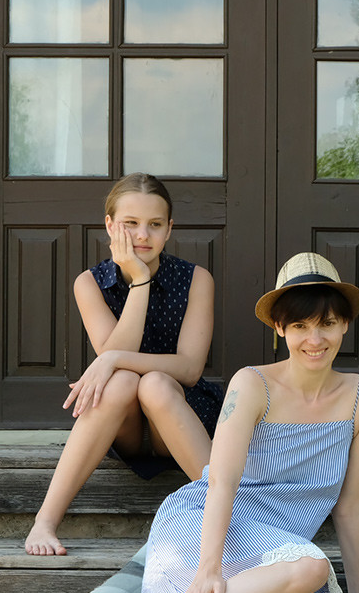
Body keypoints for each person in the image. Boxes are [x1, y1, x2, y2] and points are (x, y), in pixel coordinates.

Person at [40, 253, 359, 593]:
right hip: (208, 524)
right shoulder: (253, 384)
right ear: (279, 328)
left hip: (274, 553)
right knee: (313, 568)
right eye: (300, 326)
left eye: (328, 324)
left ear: (346, 325)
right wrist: (208, 569)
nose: (315, 339)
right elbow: (221, 481)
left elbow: (350, 504)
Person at [24, 174, 224, 556]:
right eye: (130, 223)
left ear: (169, 229)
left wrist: (114, 358)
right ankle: (45, 521)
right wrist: (141, 280)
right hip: (124, 425)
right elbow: (113, 365)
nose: (143, 235)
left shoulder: (197, 279)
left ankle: (236, 514)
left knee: (155, 384)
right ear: (110, 225)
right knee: (121, 383)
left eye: (155, 224)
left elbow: (189, 369)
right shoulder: (89, 283)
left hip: (178, 412)